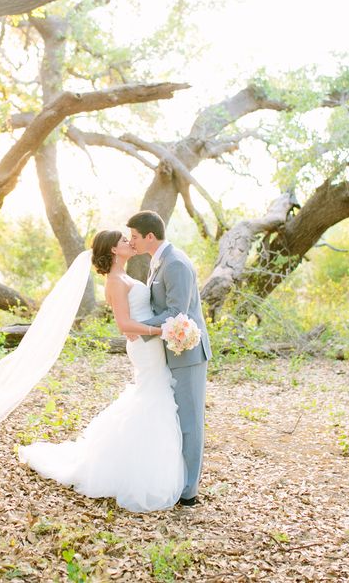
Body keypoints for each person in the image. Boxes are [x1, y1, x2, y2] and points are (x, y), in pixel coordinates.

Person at [18, 230, 186, 512]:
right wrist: (159, 330)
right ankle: (137, 470)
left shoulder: (127, 276)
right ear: (112, 250)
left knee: (152, 396)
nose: (129, 243)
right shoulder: (115, 282)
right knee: (152, 397)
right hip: (144, 345)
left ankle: (140, 460)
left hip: (150, 344)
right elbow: (124, 325)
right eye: (123, 241)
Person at [126, 210, 211, 507]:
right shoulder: (157, 261)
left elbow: (178, 314)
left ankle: (189, 492)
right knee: (173, 420)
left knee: (190, 422)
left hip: (187, 354)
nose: (131, 241)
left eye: (135, 236)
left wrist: (141, 328)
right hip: (169, 353)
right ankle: (176, 479)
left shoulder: (175, 264)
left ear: (150, 236)